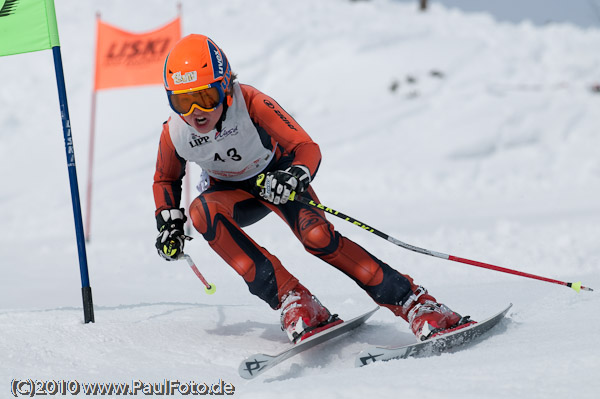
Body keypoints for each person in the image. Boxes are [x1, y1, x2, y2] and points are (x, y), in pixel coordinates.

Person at [153, 34, 472, 344]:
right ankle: (294, 300)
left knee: (317, 237)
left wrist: (293, 176)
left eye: (206, 98)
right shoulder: (175, 132)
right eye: (183, 101)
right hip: (232, 195)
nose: (196, 112)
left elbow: (306, 147)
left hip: (275, 178)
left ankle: (415, 303)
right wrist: (169, 222)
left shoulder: (250, 102)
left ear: (225, 87)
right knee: (200, 213)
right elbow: (166, 179)